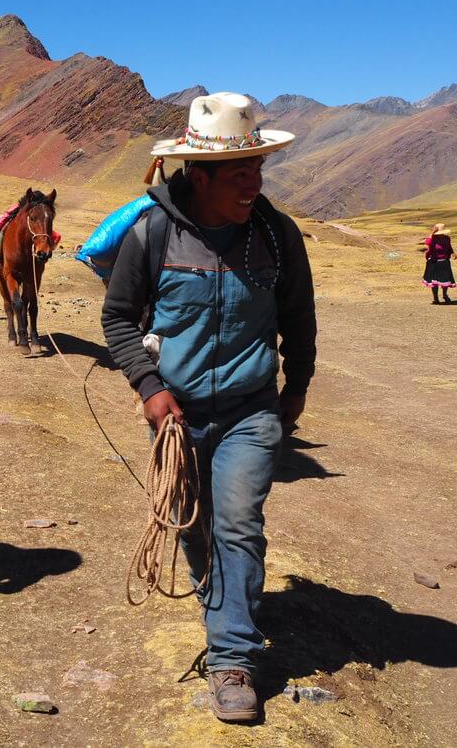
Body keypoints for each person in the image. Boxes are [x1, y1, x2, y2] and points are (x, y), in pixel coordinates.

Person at [101, 92, 316, 723]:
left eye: (258, 170)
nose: (254, 185)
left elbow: (298, 317)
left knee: (238, 522)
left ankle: (232, 658)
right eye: (240, 174)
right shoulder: (154, 234)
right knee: (192, 522)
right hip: (178, 414)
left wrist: (296, 384)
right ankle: (221, 600)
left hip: (251, 408)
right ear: (200, 175)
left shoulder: (277, 236)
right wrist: (149, 385)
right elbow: (117, 319)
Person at [423, 223, 457, 304]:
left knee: (445, 280)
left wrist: (453, 253)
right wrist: (432, 233)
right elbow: (427, 242)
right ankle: (436, 298)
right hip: (433, 262)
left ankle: (445, 295)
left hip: (444, 262)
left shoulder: (447, 238)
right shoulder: (433, 239)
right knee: (434, 282)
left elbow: (449, 247)